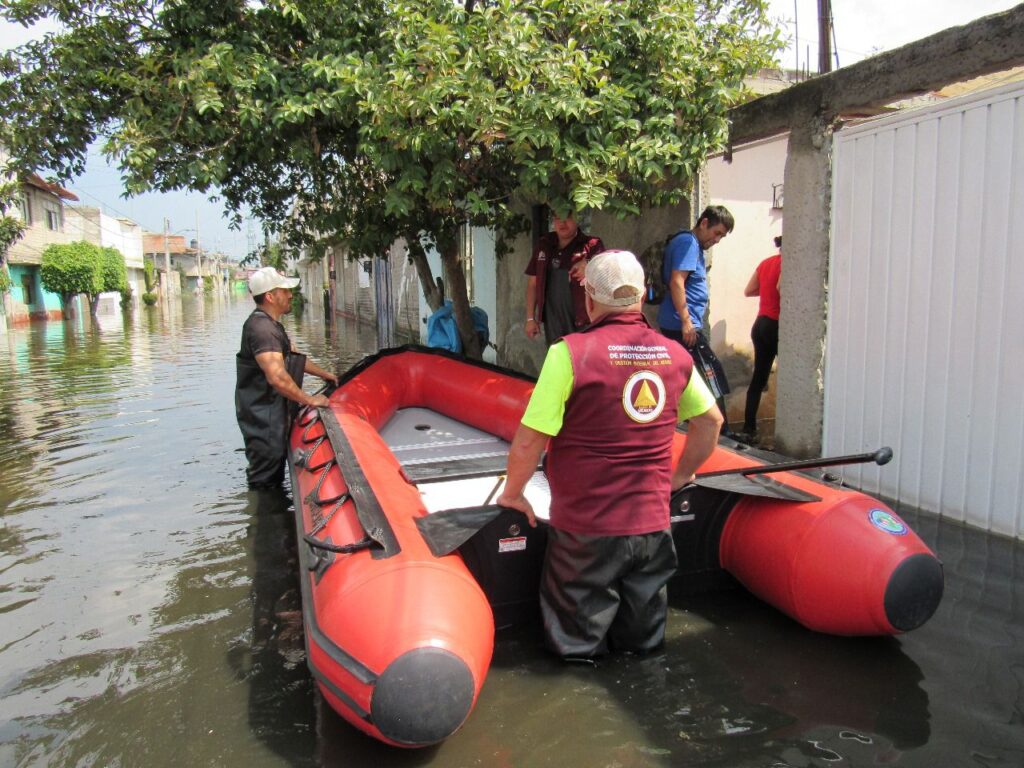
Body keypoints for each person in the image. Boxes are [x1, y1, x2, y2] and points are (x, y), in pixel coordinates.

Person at [497, 250, 723, 659]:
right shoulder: (675, 356)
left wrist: (513, 493)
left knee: (578, 652)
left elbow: (531, 439)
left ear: (589, 298)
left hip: (586, 535)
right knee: (644, 650)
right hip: (653, 531)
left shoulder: (569, 354)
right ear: (643, 295)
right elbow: (711, 423)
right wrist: (679, 476)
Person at [236, 267, 338, 490]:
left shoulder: (271, 326)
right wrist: (310, 400)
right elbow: (277, 377)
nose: (291, 295)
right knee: (265, 482)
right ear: (271, 296)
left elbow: (293, 358)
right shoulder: (262, 330)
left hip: (274, 416)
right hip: (264, 421)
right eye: (285, 290)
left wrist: (326, 374)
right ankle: (265, 519)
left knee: (273, 476)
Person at [656, 205, 735, 428]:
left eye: (722, 236)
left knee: (694, 379)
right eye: (716, 232)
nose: (717, 239)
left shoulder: (691, 244)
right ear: (704, 223)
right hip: (681, 324)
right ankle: (720, 432)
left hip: (681, 323)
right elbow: (677, 281)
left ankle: (701, 427)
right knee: (710, 378)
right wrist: (686, 320)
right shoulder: (688, 243)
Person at [524, 210, 604, 345]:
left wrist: (589, 265)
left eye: (567, 217)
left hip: (584, 323)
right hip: (553, 323)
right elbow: (533, 284)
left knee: (582, 363)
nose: (562, 223)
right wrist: (530, 319)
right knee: (558, 361)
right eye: (557, 218)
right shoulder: (544, 245)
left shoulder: (592, 245)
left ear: (577, 218)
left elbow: (607, 274)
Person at [741, 236, 782, 441]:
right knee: (789, 378)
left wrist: (766, 292)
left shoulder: (766, 263)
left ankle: (749, 428)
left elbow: (749, 291)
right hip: (777, 324)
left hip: (760, 324)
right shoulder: (789, 264)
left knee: (758, 379)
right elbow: (781, 287)